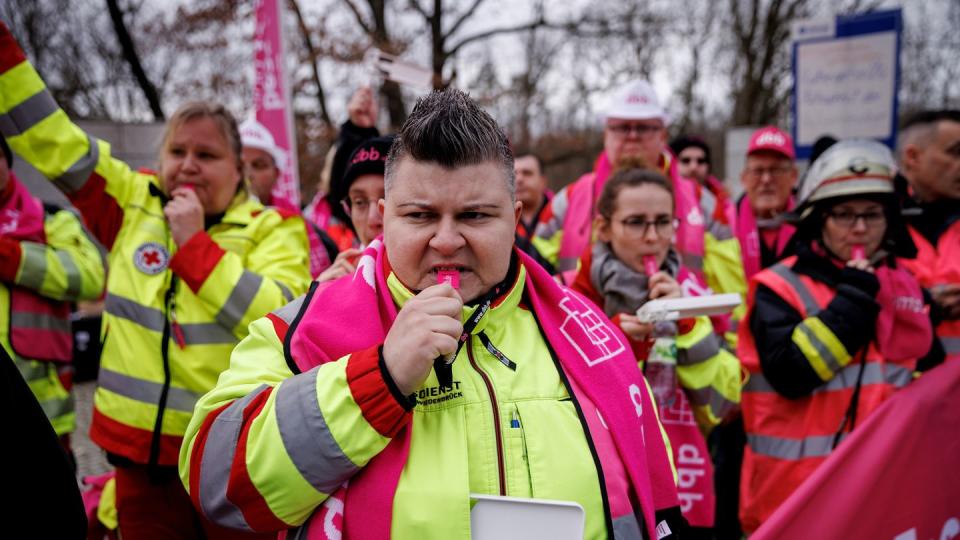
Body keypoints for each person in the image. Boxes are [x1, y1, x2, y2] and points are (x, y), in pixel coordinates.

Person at [180, 89, 686, 539]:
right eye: (420, 215)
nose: (447, 240)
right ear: (385, 214)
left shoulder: (587, 333)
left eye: (475, 215)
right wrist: (378, 379)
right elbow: (216, 483)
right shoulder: (303, 329)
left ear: (515, 214)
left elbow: (654, 501)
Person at [0, 23, 311, 539]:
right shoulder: (129, 200)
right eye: (177, 153)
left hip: (230, 458)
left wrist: (193, 248)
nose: (187, 167)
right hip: (137, 462)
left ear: (239, 169)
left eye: (206, 156)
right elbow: (50, 139)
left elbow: (281, 315)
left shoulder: (274, 228)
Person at [737, 139, 942, 533]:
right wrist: (855, 297)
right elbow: (791, 374)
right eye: (844, 215)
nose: (861, 228)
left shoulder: (906, 289)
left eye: (872, 215)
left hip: (886, 496)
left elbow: (925, 382)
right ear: (818, 219)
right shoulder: (777, 288)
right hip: (797, 501)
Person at [570, 162, 740, 534]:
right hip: (603, 497)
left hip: (684, 489)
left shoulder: (696, 296)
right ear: (604, 228)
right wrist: (617, 345)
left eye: (663, 222)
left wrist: (687, 324)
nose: (652, 237)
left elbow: (723, 406)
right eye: (635, 222)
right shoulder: (568, 294)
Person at [533, 79, 745, 343]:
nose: (632, 135)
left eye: (644, 127)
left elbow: (731, 303)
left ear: (663, 135)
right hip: (586, 357)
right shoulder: (567, 202)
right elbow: (535, 288)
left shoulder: (704, 204)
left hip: (683, 363)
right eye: (621, 127)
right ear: (606, 134)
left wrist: (694, 327)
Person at [0, 135, 105, 461]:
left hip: (43, 404)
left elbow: (91, 276)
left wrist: (17, 260)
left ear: (7, 160)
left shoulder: (51, 218)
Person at [896, 110, 960, 361]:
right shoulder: (870, 226)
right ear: (913, 156)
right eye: (955, 152)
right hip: (902, 393)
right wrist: (923, 304)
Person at [240, 117, 338, 279]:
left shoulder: (302, 225)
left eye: (259, 165)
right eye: (240, 166)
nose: (248, 174)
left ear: (276, 173)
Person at [316, 135, 393, 282]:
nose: (372, 219)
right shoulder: (334, 281)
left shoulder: (442, 280)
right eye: (359, 202)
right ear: (347, 208)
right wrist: (315, 297)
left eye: (387, 199)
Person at [736, 126, 799, 281]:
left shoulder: (813, 231)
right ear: (744, 178)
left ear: (793, 176)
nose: (766, 180)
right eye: (758, 171)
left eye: (776, 170)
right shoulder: (723, 229)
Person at [670, 135, 737, 236]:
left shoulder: (724, 202)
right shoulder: (662, 198)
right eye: (685, 160)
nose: (693, 167)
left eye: (700, 161)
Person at [513, 152, 555, 272]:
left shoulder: (562, 217)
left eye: (527, 173)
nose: (519, 179)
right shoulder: (498, 220)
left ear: (543, 181)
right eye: (514, 174)